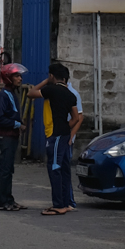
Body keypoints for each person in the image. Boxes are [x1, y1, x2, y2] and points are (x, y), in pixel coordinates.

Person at [27, 61, 82, 215]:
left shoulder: (51, 90)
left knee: (54, 168)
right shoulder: (71, 95)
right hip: (64, 134)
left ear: (52, 76)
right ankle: (65, 202)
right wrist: (66, 126)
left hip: (55, 135)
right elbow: (76, 118)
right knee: (63, 168)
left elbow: (31, 93)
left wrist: (46, 81)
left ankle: (59, 205)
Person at [0, 62, 27, 211]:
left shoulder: (12, 94)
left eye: (19, 76)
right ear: (8, 78)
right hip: (6, 136)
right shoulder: (3, 95)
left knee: (9, 168)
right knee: (5, 169)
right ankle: (3, 201)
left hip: (12, 135)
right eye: (17, 76)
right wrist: (17, 124)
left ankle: (9, 199)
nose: (20, 79)